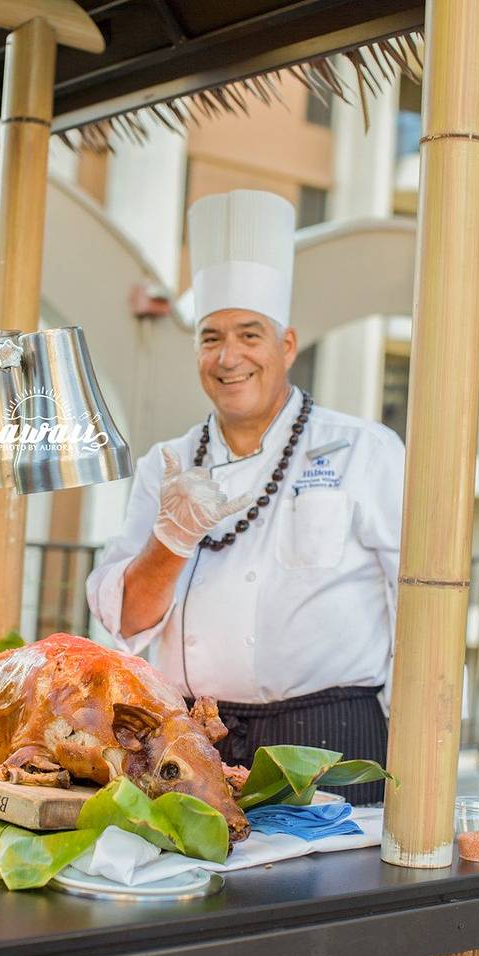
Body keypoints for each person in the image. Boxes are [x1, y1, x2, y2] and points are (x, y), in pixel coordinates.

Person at [86, 189, 404, 804]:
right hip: (188, 741)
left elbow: (414, 605)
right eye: (211, 338)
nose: (229, 358)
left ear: (286, 345)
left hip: (330, 741)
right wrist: (172, 539)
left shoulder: (365, 449)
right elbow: (125, 621)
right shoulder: (166, 465)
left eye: (249, 335)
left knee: (327, 900)